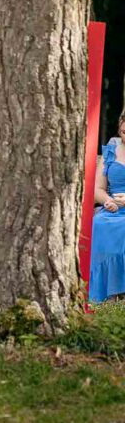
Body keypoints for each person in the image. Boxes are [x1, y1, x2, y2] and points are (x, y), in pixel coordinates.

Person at [89, 111, 125, 302]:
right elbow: (98, 188)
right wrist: (107, 201)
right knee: (99, 223)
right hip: (113, 210)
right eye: (124, 130)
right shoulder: (112, 147)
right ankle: (105, 297)